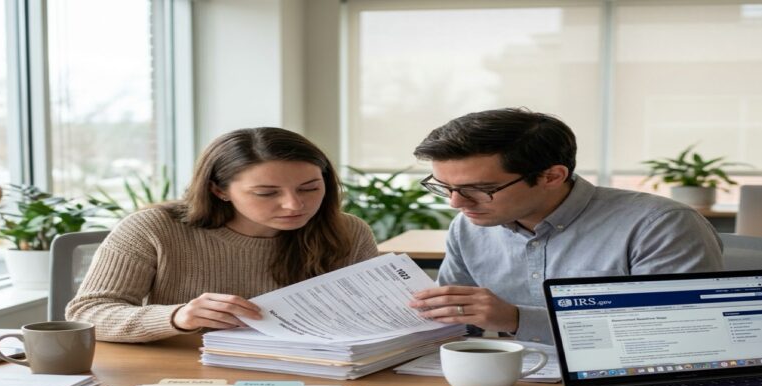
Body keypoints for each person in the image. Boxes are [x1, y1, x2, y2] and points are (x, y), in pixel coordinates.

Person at [408, 108, 723, 344]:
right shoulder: (469, 227)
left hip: (627, 382)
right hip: (511, 382)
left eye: (481, 188)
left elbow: (676, 333)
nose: (456, 204)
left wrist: (516, 319)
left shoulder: (660, 225)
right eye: (444, 187)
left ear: (552, 176)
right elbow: (455, 323)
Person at [67, 127, 378, 343]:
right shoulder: (153, 229)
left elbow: (372, 315)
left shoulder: (348, 231)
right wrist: (178, 317)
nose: (295, 204)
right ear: (219, 190)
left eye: (310, 188)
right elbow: (88, 314)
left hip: (312, 370)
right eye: (266, 193)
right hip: (184, 375)